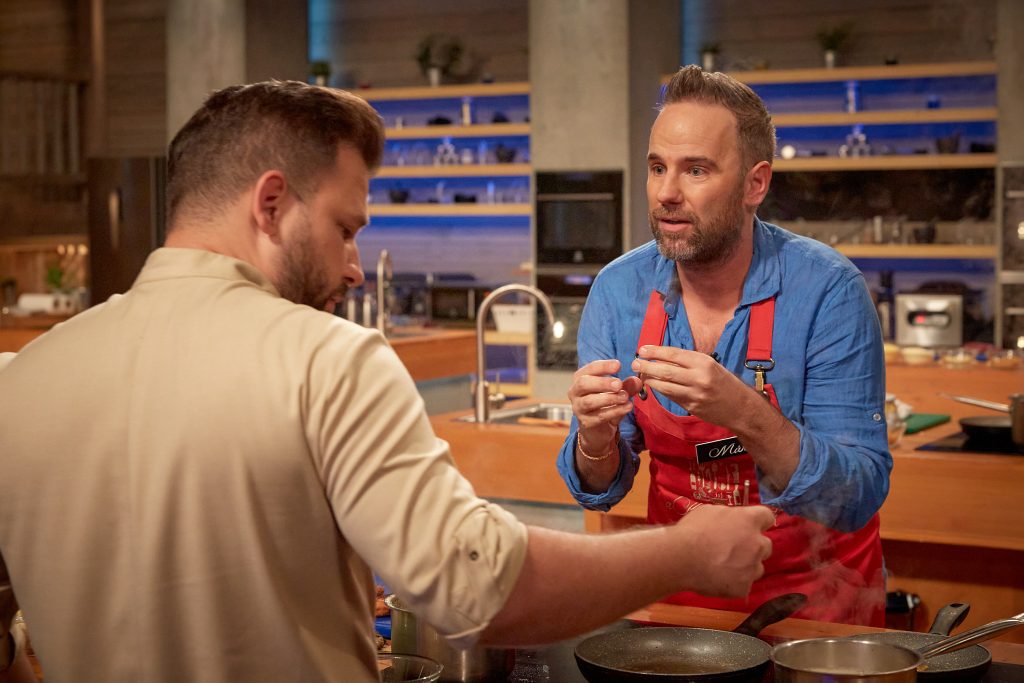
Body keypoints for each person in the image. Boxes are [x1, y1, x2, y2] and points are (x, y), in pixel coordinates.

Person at [0, 80, 775, 683]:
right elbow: (478, 588)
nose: (352, 268)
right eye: (345, 229)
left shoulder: (25, 378)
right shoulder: (325, 357)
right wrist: (687, 551)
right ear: (270, 204)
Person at [556, 65, 891, 627]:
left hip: (815, 613)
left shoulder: (828, 290)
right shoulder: (618, 290)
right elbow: (600, 490)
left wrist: (744, 412)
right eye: (657, 168)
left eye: (696, 170)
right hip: (679, 608)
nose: (667, 193)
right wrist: (594, 437)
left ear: (755, 184)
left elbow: (858, 492)